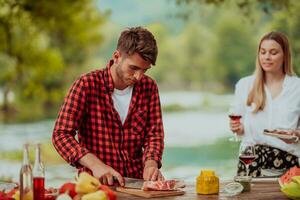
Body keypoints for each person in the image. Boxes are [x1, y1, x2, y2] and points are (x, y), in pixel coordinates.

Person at [52, 27, 165, 186]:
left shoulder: (149, 87)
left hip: (138, 187)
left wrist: (151, 163)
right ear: (117, 56)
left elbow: (154, 135)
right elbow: (61, 134)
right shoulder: (86, 84)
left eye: (144, 70)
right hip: (95, 186)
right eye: (133, 68)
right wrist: (96, 165)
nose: (138, 77)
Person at [229, 31, 300, 177]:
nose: (267, 57)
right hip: (250, 160)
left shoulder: (297, 87)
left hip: (288, 161)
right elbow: (240, 130)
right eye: (263, 52)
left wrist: (295, 134)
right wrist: (237, 128)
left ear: (285, 55)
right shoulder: (244, 85)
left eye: (273, 53)